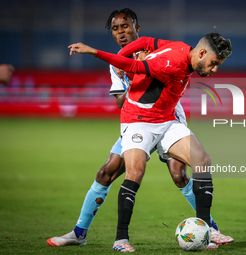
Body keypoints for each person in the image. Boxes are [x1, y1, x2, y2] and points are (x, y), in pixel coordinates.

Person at [47, 9, 229, 250]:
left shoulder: (162, 53)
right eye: (115, 28)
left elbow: (150, 53)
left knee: (181, 174)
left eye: (125, 26)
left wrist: (135, 65)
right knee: (109, 172)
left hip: (169, 116)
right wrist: (131, 72)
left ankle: (209, 229)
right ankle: (81, 232)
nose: (121, 32)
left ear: (136, 27)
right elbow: (122, 101)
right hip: (139, 119)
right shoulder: (119, 65)